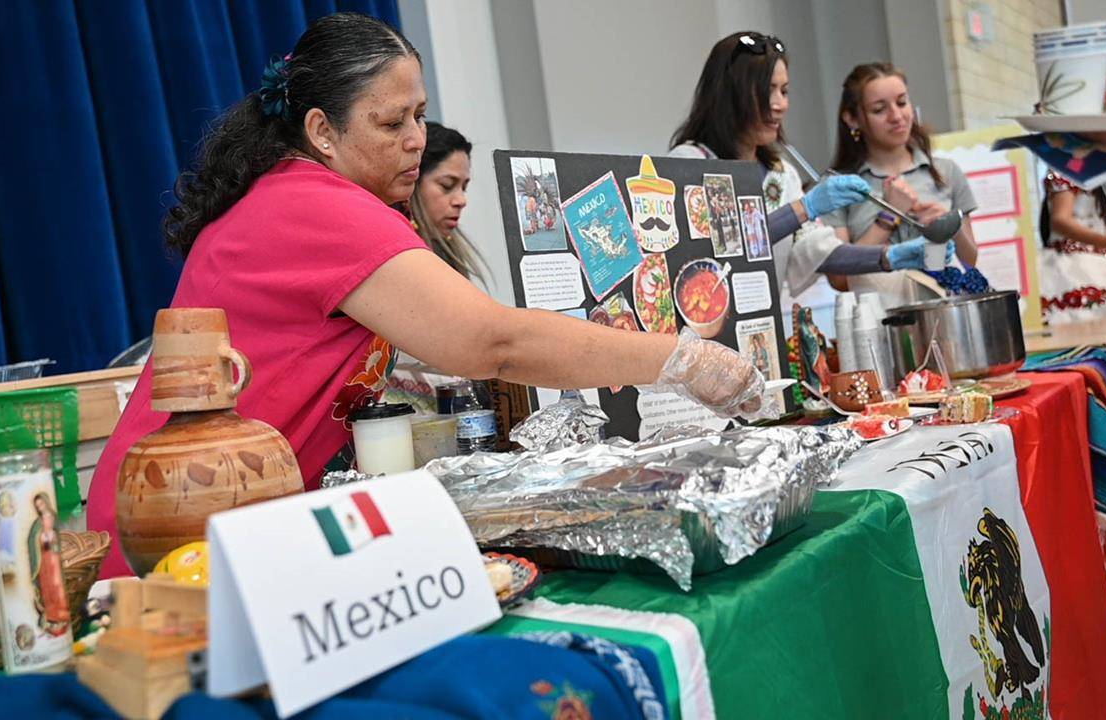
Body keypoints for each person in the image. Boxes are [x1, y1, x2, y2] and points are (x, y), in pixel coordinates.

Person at [88, 13, 769, 577]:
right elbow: (490, 341)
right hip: (174, 537)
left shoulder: (295, 193)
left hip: (196, 518)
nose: (417, 141)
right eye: (392, 125)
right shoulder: (314, 205)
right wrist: (676, 359)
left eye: (421, 115)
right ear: (323, 131)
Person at [668, 32, 941, 299]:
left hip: (764, 332)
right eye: (767, 91)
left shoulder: (781, 174)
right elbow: (719, 248)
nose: (780, 105)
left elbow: (821, 252)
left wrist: (891, 256)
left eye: (784, 91)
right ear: (730, 94)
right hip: (703, 332)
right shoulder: (690, 162)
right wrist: (802, 209)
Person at [824, 62, 978, 309]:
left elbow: (970, 260)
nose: (896, 116)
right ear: (852, 119)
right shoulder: (838, 186)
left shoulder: (946, 171)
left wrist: (949, 224)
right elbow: (839, 279)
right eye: (879, 109)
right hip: (877, 323)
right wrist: (887, 216)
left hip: (945, 317)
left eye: (902, 102)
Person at [1037, 173, 1106, 322]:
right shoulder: (1065, 171)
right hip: (1071, 262)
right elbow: (1060, 221)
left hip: (1105, 259)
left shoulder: (1105, 173)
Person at [406, 122, 485, 281]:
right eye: (447, 186)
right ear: (412, 182)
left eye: (464, 188)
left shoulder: (448, 254)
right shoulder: (398, 258)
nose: (461, 201)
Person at [29, 493, 70, 635]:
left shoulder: (52, 517)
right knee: (47, 586)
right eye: (37, 506)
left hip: (53, 556)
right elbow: (34, 539)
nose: (40, 507)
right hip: (44, 558)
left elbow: (57, 534)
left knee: (57, 584)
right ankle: (52, 614)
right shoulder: (38, 523)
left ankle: (61, 612)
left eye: (41, 504)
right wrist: (42, 538)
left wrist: (51, 538)